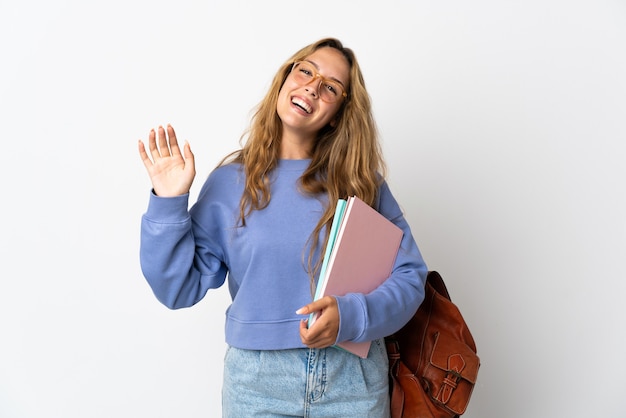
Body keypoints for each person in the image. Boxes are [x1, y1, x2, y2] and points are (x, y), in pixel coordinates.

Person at [138, 37, 428, 417]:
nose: (312, 85)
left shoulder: (360, 183)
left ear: (339, 112)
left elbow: (410, 277)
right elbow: (176, 289)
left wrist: (352, 316)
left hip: (352, 381)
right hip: (257, 386)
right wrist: (169, 201)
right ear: (285, 80)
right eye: (305, 70)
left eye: (330, 87)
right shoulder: (229, 184)